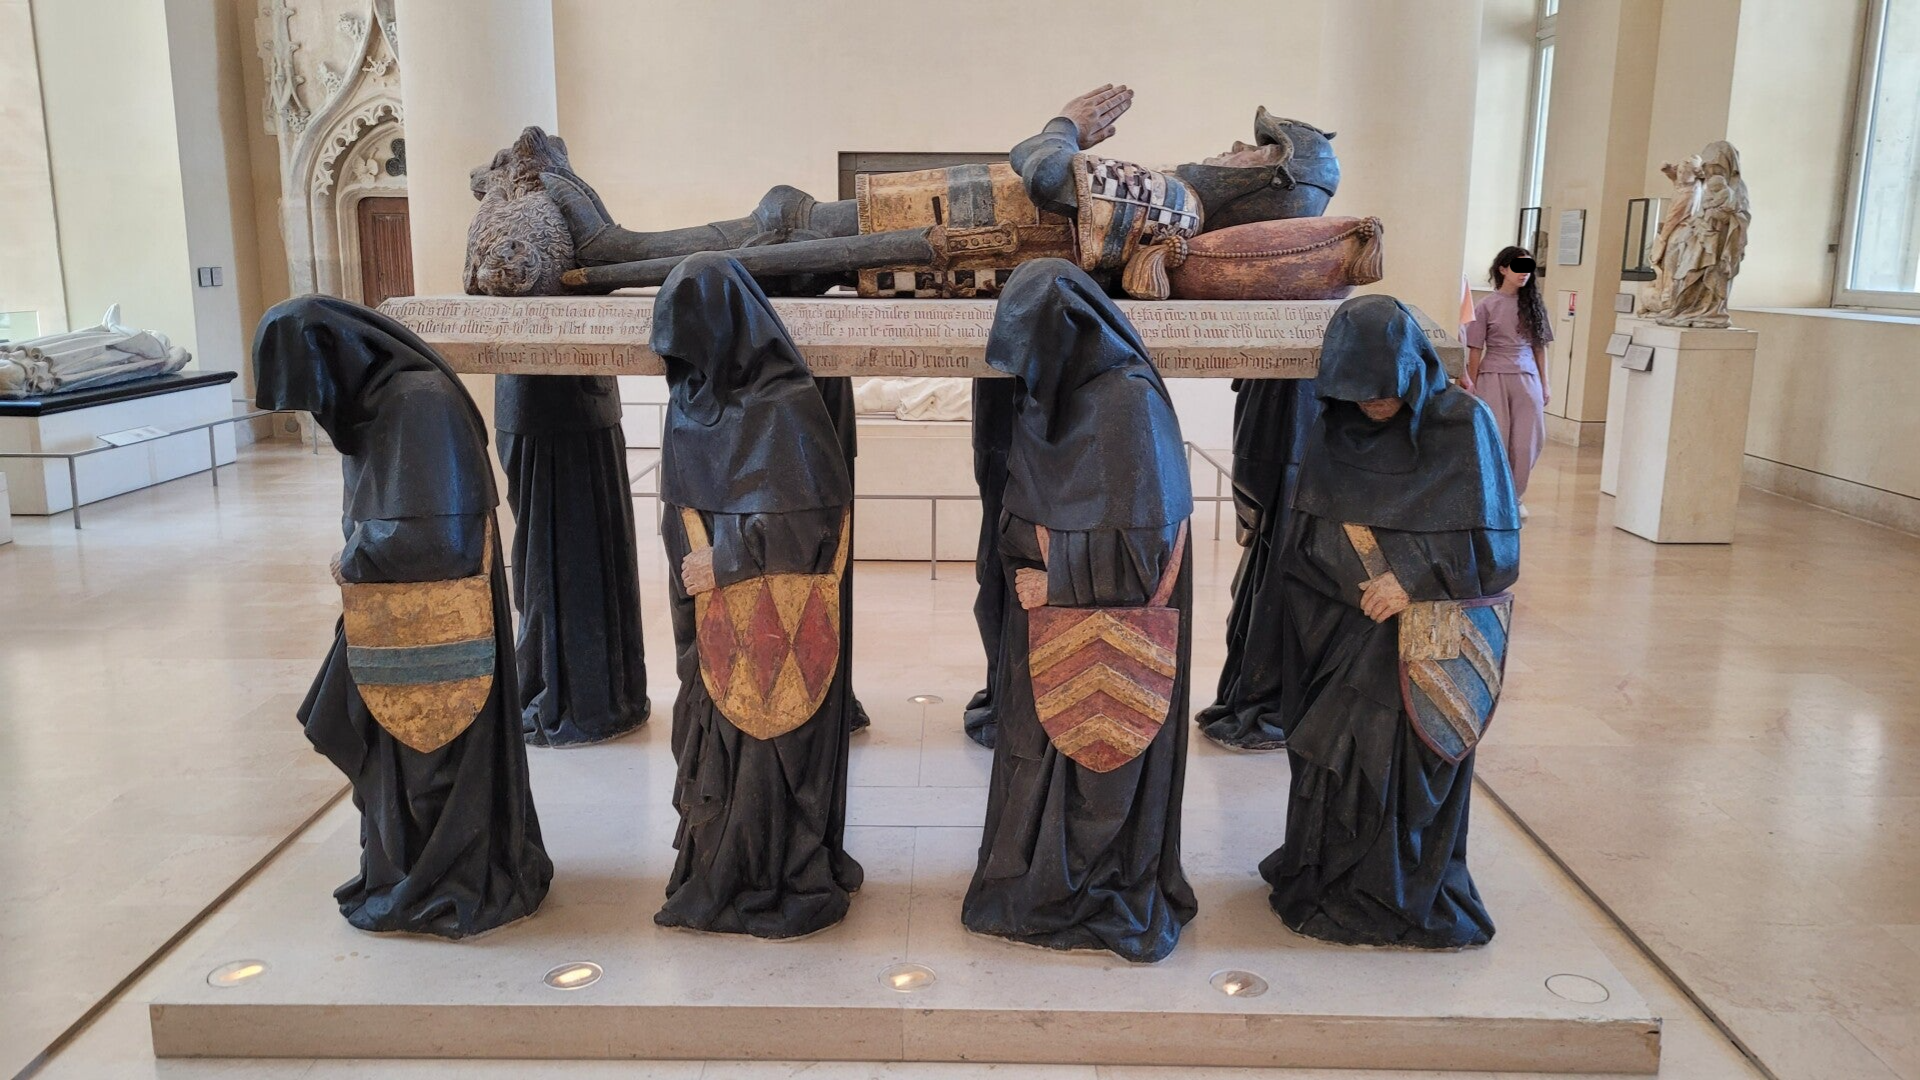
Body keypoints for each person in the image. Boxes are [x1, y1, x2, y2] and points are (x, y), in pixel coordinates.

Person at [253, 295, 552, 939]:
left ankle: (444, 875)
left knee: (430, 761)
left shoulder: (419, 402)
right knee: (382, 742)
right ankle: (406, 867)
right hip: (390, 612)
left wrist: (357, 555)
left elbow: (440, 536)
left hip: (435, 622)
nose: (319, 416)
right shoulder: (374, 404)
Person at [1259, 294, 1519, 950]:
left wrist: (1412, 578)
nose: (1373, 402)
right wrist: (1355, 583)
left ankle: (1397, 889)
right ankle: (1331, 883)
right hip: (1339, 632)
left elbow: (1497, 552)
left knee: (1399, 769)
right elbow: (1303, 543)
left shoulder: (1465, 425)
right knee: (1336, 769)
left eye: (1384, 388)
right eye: (1358, 389)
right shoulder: (1332, 431)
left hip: (1423, 644)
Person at [961, 260, 1198, 963]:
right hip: (1041, 624)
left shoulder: (1128, 404)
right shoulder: (1052, 397)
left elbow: (1148, 552)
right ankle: (1035, 878)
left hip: (1102, 635)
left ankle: (1088, 886)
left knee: (1098, 772)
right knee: (1032, 754)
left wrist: (1057, 579)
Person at [650, 254, 863, 939]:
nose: (683, 364)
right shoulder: (689, 404)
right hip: (706, 620)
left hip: (770, 622)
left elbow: (812, 524)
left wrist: (726, 559)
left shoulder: (786, 404)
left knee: (768, 754)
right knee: (711, 742)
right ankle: (721, 866)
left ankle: (771, 869)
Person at [495, 374, 651, 747]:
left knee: (597, 551)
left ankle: (605, 695)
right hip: (539, 403)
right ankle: (563, 695)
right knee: (551, 558)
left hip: (593, 399)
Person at [1192, 376, 1320, 751]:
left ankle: (1267, 705)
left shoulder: (1274, 381)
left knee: (1268, 613)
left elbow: (1251, 471)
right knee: (1270, 610)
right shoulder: (1305, 374)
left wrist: (1250, 515)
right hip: (1304, 503)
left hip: (1284, 509)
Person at [1465, 246, 1551, 516]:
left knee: (1528, 441)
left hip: (1527, 378)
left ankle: (1516, 496)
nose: (1524, 274)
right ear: (1503, 269)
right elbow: (1475, 349)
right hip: (1493, 376)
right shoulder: (1486, 306)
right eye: (1518, 268)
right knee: (1498, 438)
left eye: (1528, 269)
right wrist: (1472, 385)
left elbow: (1540, 348)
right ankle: (1497, 496)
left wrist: (1545, 384)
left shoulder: (1535, 306)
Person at [963, 378, 1017, 748]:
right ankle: (1004, 693)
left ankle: (1009, 701)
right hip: (999, 434)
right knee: (993, 568)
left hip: (1015, 437)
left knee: (999, 574)